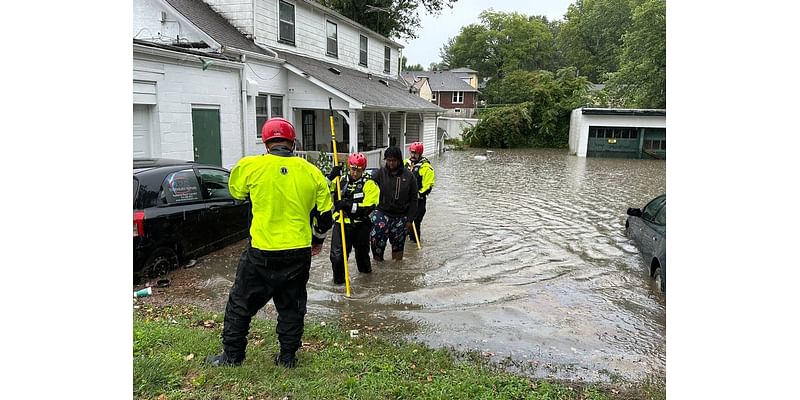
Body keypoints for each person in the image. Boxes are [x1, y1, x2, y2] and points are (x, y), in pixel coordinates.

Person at [206, 117, 334, 369]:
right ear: (293, 142)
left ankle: (232, 356)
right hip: (297, 252)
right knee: (292, 306)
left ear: (266, 143)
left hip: (261, 252)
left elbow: (237, 193)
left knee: (240, 303)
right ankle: (287, 358)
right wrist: (317, 240)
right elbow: (325, 217)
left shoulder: (250, 166)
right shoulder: (312, 172)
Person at [327, 152, 380, 284]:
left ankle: (366, 283)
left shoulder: (369, 184)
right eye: (353, 169)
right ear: (349, 167)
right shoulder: (340, 180)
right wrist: (330, 177)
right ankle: (339, 284)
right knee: (337, 257)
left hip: (360, 225)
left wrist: (348, 206)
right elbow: (320, 189)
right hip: (341, 223)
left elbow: (368, 208)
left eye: (358, 170)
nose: (355, 173)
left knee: (361, 256)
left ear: (363, 169)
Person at [370, 146, 418, 261]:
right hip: (382, 213)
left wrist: (410, 220)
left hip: (401, 217)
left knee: (398, 250)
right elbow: (367, 187)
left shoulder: (409, 176)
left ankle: (397, 272)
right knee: (377, 244)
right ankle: (379, 269)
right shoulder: (379, 174)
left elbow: (414, 200)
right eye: (389, 160)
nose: (391, 163)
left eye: (394, 161)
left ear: (399, 160)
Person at [404, 141, 435, 243]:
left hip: (418, 202)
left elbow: (428, 186)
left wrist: (417, 194)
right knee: (403, 224)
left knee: (415, 224)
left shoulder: (426, 167)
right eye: (411, 153)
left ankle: (414, 244)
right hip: (405, 201)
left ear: (420, 153)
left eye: (415, 153)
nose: (412, 155)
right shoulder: (405, 163)